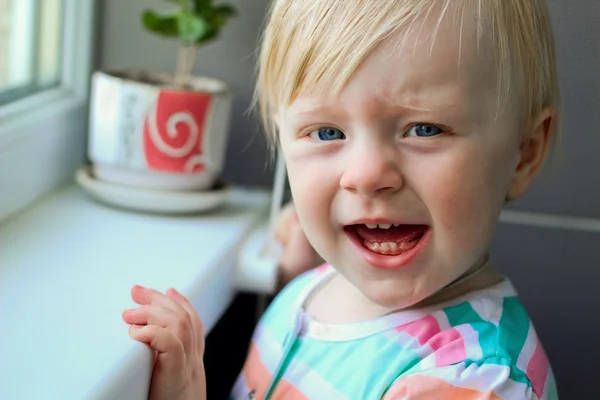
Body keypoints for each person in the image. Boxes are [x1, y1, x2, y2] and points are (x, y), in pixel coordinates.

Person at [122, 0, 562, 398]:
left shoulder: (470, 380)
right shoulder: (326, 283)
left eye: (424, 129)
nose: (367, 176)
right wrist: (301, 275)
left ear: (524, 153)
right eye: (327, 133)